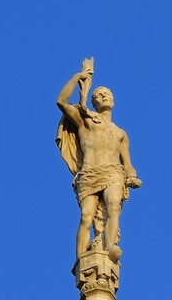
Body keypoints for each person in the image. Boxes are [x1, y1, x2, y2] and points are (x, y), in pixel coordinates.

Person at [56, 59, 141, 262]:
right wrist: (78, 77)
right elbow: (61, 102)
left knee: (113, 206)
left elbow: (127, 163)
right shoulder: (86, 120)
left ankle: (110, 247)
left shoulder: (120, 133)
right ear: (94, 101)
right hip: (89, 173)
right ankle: (81, 259)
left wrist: (132, 176)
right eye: (100, 95)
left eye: (108, 94)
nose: (105, 97)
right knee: (86, 216)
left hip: (113, 173)